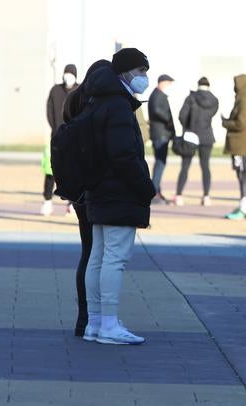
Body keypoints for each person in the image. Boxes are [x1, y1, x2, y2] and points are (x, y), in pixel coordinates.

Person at [83, 48, 156, 345]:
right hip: (119, 193)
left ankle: (96, 322)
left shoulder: (97, 100)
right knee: (114, 259)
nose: (144, 78)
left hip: (99, 190)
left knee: (98, 257)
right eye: (140, 72)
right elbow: (124, 156)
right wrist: (146, 188)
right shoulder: (119, 107)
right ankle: (109, 325)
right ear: (125, 73)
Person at [62, 59, 112, 337]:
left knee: (88, 253)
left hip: (78, 188)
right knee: (101, 256)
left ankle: (84, 317)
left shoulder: (73, 100)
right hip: (97, 186)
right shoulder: (98, 104)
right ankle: (99, 316)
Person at [175, 77, 219, 207]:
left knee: (185, 166)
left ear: (198, 85)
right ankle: (206, 197)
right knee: (205, 166)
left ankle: (179, 196)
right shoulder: (214, 100)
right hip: (207, 136)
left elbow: (182, 116)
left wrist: (188, 127)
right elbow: (212, 114)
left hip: (191, 136)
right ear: (208, 85)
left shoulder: (191, 98)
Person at [42, 64, 79, 216]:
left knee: (75, 171)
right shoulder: (55, 90)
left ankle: (72, 203)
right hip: (56, 136)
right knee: (50, 170)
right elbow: (49, 111)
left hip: (75, 138)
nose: (68, 76)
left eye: (71, 74)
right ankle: (47, 200)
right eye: (66, 73)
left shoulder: (80, 90)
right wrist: (56, 128)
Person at [222, 74, 246, 219]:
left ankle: (245, 207)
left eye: (237, 84)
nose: (235, 87)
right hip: (237, 146)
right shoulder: (240, 100)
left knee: (243, 174)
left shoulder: (245, 102)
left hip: (241, 146)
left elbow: (242, 123)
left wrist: (226, 123)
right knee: (240, 174)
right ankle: (242, 204)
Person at [148, 74, 175, 204]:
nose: (170, 86)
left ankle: (157, 190)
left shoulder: (159, 95)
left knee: (160, 163)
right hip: (160, 134)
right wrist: (169, 119)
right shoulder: (157, 95)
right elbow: (156, 110)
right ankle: (154, 192)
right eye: (169, 83)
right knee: (160, 163)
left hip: (163, 133)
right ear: (163, 83)